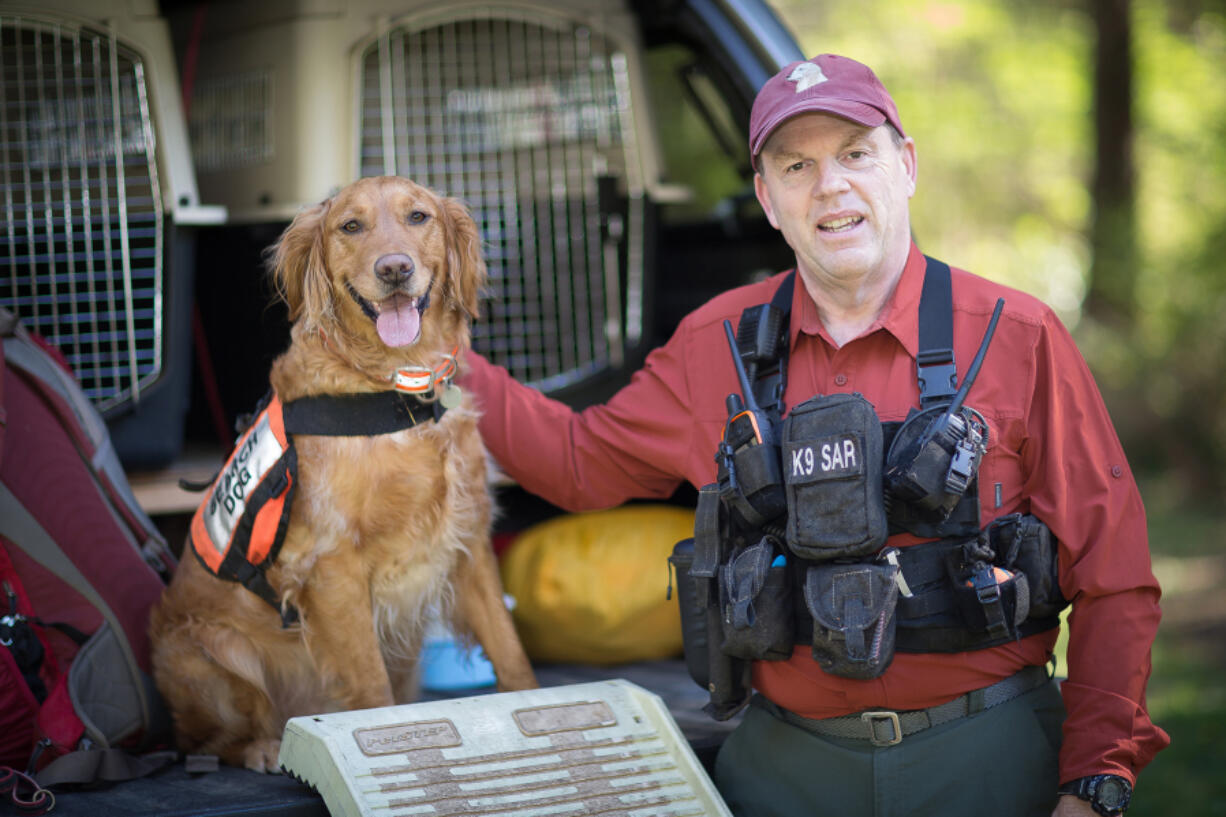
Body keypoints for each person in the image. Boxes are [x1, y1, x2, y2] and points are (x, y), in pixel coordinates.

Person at [460, 54, 1168, 817]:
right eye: (797, 165)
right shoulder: (714, 343)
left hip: (988, 754)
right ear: (768, 198)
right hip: (783, 768)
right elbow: (577, 464)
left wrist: (1094, 781)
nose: (830, 185)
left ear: (906, 166)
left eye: (856, 154)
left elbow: (1115, 571)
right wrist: (434, 358)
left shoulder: (1015, 334)